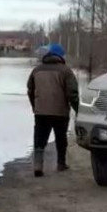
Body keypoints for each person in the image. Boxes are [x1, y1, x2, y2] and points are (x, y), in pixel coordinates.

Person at [27, 43, 79, 177]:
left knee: (39, 139)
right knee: (61, 138)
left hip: (41, 111)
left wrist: (34, 106)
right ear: (60, 56)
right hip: (60, 111)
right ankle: (61, 164)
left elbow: (30, 90)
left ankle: (38, 165)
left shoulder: (36, 70)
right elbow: (72, 93)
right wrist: (78, 109)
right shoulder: (66, 71)